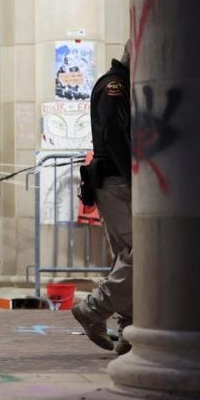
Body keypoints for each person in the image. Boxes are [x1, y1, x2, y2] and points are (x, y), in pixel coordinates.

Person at [73, 42, 133, 355]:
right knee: (141, 253)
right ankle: (93, 309)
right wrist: (134, 178)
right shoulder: (116, 85)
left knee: (128, 256)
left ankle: (128, 334)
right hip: (118, 181)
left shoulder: (121, 84)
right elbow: (114, 134)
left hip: (115, 181)